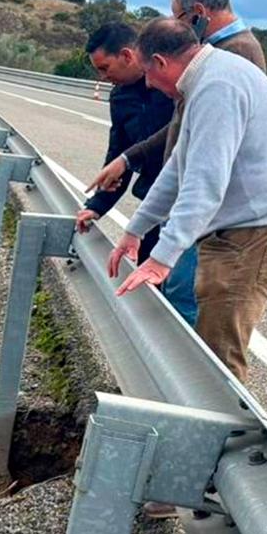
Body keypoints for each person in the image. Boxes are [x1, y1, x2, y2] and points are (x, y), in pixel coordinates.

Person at [111, 19, 267, 520]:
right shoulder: (205, 81)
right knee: (202, 347)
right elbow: (176, 169)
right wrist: (136, 229)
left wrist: (160, 259)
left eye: (150, 77)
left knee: (217, 355)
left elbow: (204, 185)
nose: (149, 87)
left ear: (159, 62)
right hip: (233, 231)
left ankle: (221, 483)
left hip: (255, 233)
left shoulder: (217, 88)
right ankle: (195, 470)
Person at [87, 0, 267, 324]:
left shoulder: (234, 56)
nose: (153, 83)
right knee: (173, 298)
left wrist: (162, 252)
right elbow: (182, 143)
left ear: (198, 11)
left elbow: (206, 165)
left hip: (215, 216)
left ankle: (181, 375)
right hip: (191, 206)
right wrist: (126, 206)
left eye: (179, 19)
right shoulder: (212, 57)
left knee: (187, 304)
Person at [74, 23, 192, 323]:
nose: (103, 77)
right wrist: (96, 207)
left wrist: (127, 159)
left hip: (186, 202)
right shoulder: (120, 97)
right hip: (154, 201)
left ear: (128, 55)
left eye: (105, 67)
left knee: (180, 288)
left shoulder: (172, 86)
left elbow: (177, 133)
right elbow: (118, 154)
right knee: (148, 279)